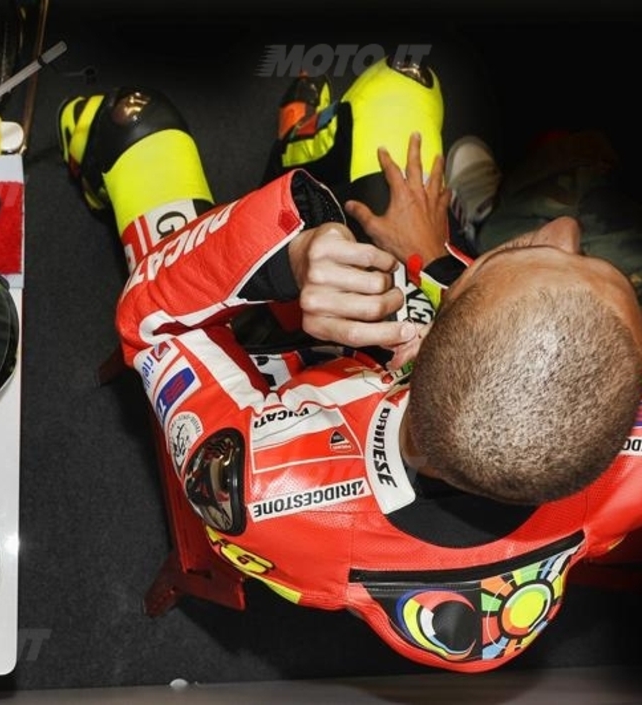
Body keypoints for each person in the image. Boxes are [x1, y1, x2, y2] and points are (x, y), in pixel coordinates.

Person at [57, 56, 642, 672]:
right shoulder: (625, 466)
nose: (566, 228)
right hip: (391, 355)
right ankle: (305, 145)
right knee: (404, 79)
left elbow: (150, 320)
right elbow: (522, 361)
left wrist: (288, 256)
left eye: (500, 261)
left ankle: (119, 157)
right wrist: (431, 257)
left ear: (423, 348)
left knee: (135, 122)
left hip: (251, 396)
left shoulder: (258, 484)